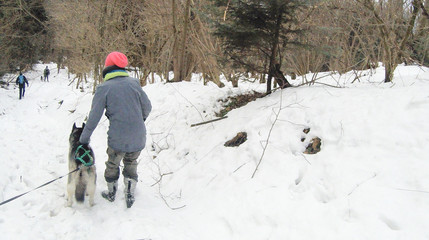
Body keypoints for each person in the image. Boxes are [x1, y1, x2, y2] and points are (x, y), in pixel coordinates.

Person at [79, 51, 152, 208]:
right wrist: (140, 120)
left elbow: (93, 118)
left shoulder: (104, 88)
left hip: (117, 138)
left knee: (113, 164)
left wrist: (83, 139)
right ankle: (130, 193)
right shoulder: (134, 84)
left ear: (108, 68)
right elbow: (147, 107)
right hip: (138, 136)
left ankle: (111, 193)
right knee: (131, 162)